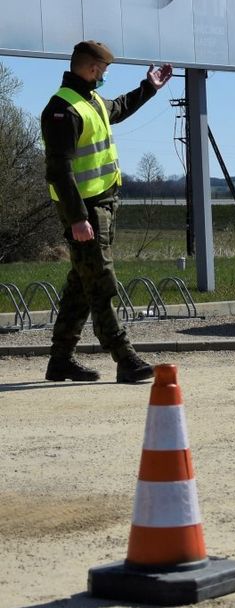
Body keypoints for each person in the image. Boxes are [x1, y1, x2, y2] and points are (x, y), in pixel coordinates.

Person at [41, 41, 173, 383]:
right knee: (100, 281)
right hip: (84, 211)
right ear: (90, 68)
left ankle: (60, 361)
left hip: (102, 206)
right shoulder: (62, 109)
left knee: (81, 282)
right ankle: (124, 357)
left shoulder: (92, 101)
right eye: (103, 69)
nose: (105, 75)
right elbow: (59, 170)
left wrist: (149, 88)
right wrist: (76, 218)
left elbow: (120, 107)